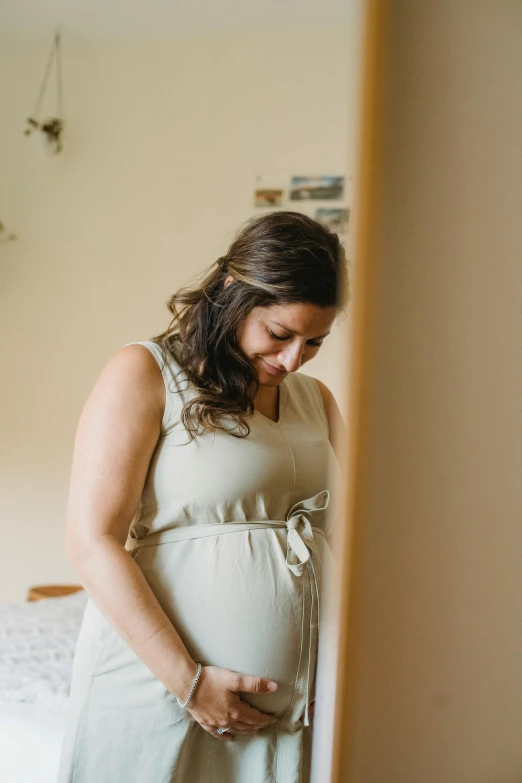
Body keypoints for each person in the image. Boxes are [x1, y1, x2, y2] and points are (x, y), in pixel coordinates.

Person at [57, 211, 348, 783]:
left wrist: (338, 673)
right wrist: (190, 684)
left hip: (299, 714)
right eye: (280, 334)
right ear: (231, 292)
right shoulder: (145, 371)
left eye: (315, 341)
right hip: (162, 688)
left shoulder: (316, 399)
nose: (293, 360)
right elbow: (91, 542)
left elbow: (352, 540)